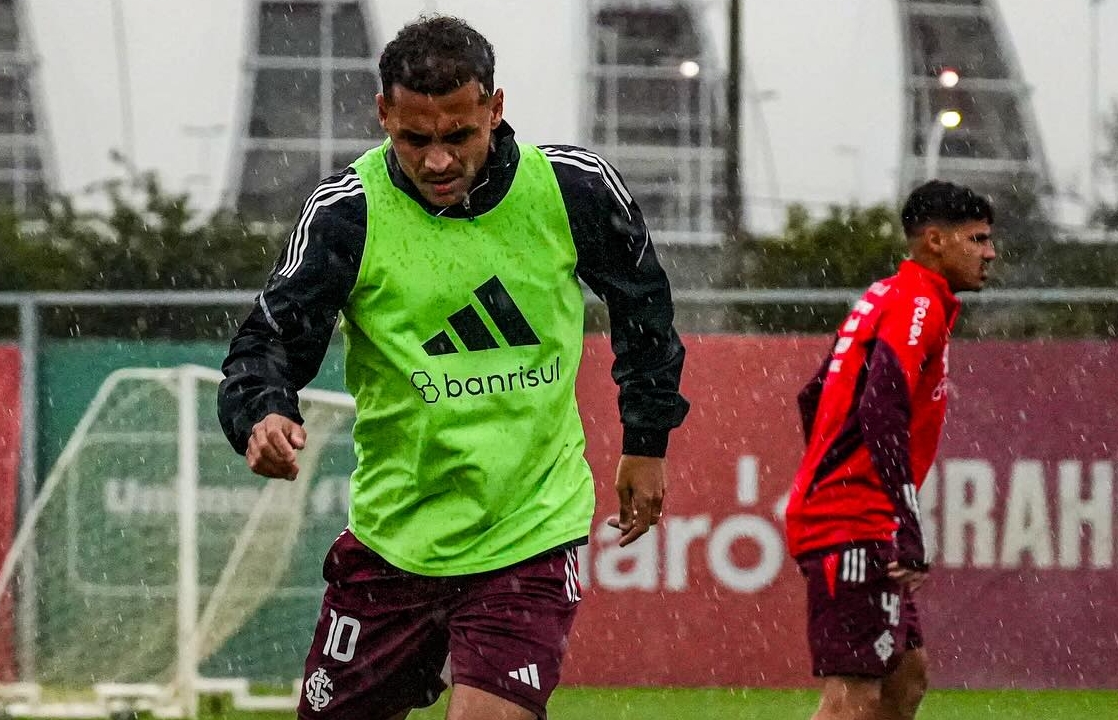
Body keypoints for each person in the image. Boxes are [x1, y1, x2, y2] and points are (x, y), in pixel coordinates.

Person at [218, 15, 689, 720]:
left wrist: (646, 442)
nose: (438, 161)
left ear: (495, 109)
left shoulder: (573, 189)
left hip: (528, 530)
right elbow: (268, 343)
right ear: (383, 115)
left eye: (458, 136)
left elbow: (645, 310)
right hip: (395, 539)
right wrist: (262, 410)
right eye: (414, 139)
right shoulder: (347, 214)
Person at [784, 180, 996, 720]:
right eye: (977, 239)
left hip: (851, 512)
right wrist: (898, 515)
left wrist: (833, 473)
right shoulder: (918, 303)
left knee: (906, 677)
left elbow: (812, 396)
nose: (990, 253)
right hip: (854, 522)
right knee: (853, 699)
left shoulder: (887, 294)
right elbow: (882, 407)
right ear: (934, 241)